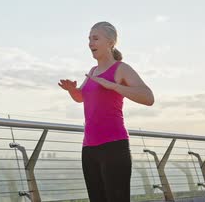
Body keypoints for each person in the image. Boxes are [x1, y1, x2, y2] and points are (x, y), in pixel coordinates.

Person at [58, 21, 154, 202]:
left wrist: (113, 85)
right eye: (89, 39)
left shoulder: (121, 68)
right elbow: (82, 98)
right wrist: (72, 90)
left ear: (110, 43)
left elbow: (148, 97)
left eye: (95, 38)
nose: (90, 43)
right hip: (89, 148)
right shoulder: (93, 71)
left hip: (114, 147)